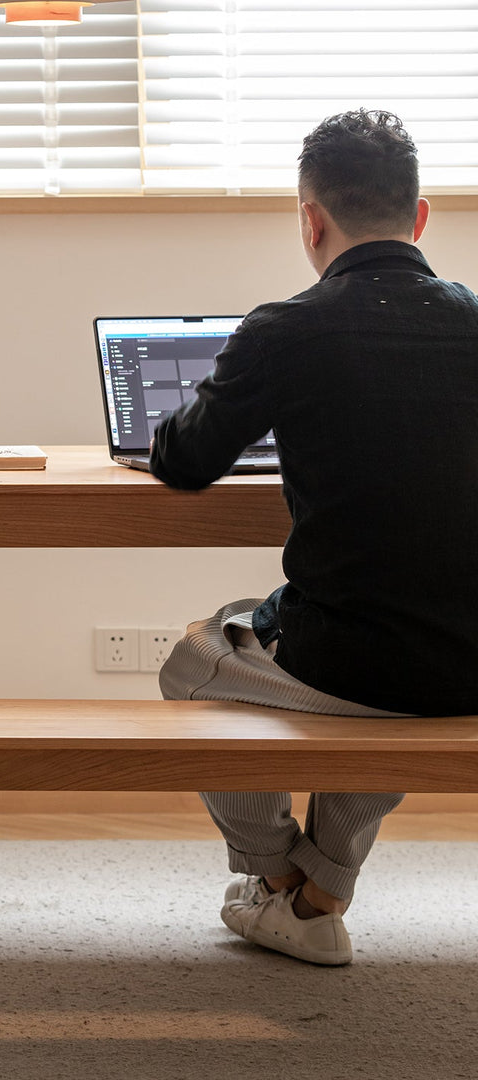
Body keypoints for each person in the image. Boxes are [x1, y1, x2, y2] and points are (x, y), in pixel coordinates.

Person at [149, 109, 478, 966]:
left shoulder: (287, 329)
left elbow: (185, 461)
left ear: (311, 218)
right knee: (396, 651)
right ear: (419, 218)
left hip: (353, 661)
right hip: (470, 656)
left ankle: (277, 881)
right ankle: (325, 892)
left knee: (192, 661)